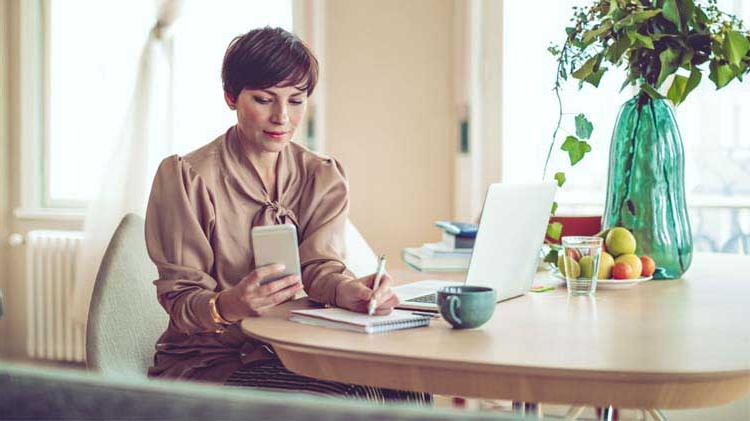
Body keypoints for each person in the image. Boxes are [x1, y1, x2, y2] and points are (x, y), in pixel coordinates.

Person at [144, 26, 429, 403]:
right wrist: (230, 304)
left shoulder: (322, 175)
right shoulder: (186, 178)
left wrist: (352, 292)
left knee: (407, 389)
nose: (282, 116)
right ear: (231, 97)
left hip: (298, 351)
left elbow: (320, 267)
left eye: (296, 101)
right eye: (264, 99)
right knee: (355, 398)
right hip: (213, 361)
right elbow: (182, 301)